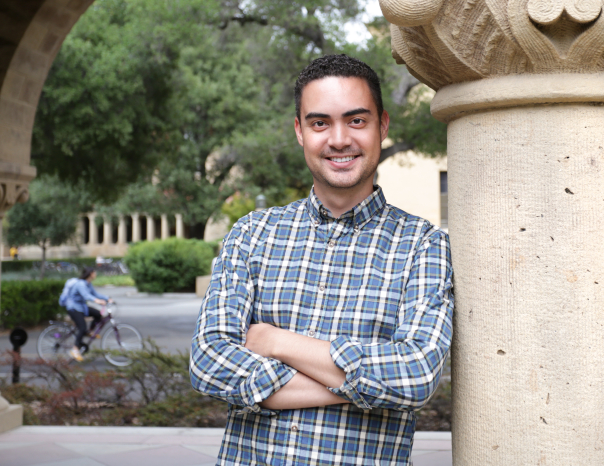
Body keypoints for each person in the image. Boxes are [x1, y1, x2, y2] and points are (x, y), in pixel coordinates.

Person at [190, 54, 454, 465]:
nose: (338, 139)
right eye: (319, 123)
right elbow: (208, 361)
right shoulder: (251, 234)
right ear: (300, 131)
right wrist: (364, 385)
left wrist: (277, 342)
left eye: (356, 120)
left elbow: (416, 375)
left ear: (382, 126)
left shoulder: (423, 245)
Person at [62, 267, 111, 362]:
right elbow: (86, 296)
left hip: (82, 307)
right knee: (82, 327)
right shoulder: (80, 284)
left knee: (97, 314)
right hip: (74, 308)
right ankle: (75, 349)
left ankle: (89, 331)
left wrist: (107, 298)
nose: (96, 274)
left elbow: (95, 294)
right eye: (95, 272)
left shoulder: (88, 283)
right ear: (91, 273)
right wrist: (98, 301)